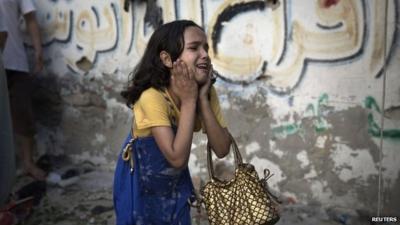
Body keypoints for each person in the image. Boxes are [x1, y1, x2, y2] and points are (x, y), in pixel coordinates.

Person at [113, 20, 231, 225]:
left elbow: (222, 149)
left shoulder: (204, 92)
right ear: (167, 59)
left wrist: (201, 99)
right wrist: (188, 101)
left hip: (174, 184)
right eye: (194, 48)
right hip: (140, 186)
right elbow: (176, 159)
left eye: (206, 48)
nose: (204, 55)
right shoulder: (152, 97)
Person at [0, 0, 45, 180]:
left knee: (23, 113)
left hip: (15, 60)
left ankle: (28, 163)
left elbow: (30, 18)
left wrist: (38, 50)